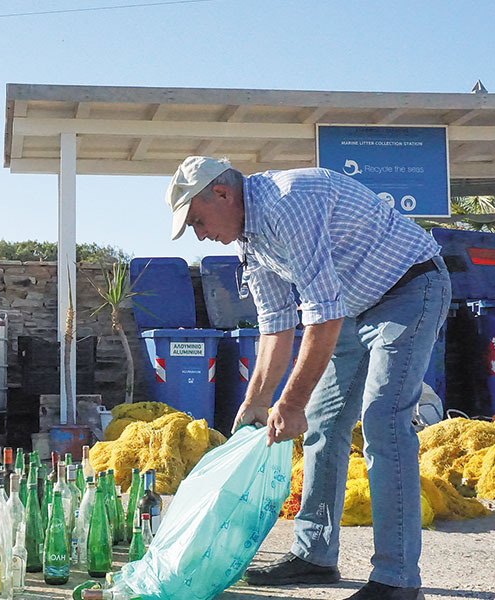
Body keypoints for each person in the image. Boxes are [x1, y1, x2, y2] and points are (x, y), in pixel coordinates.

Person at [166, 156, 450, 600]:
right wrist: (256, 402)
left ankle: (397, 580)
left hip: (408, 289)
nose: (201, 235)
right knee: (323, 424)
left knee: (383, 423)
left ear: (222, 193)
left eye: (198, 221)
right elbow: (276, 325)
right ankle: (314, 554)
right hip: (354, 308)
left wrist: (291, 401)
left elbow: (321, 313)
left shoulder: (287, 202)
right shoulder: (251, 240)